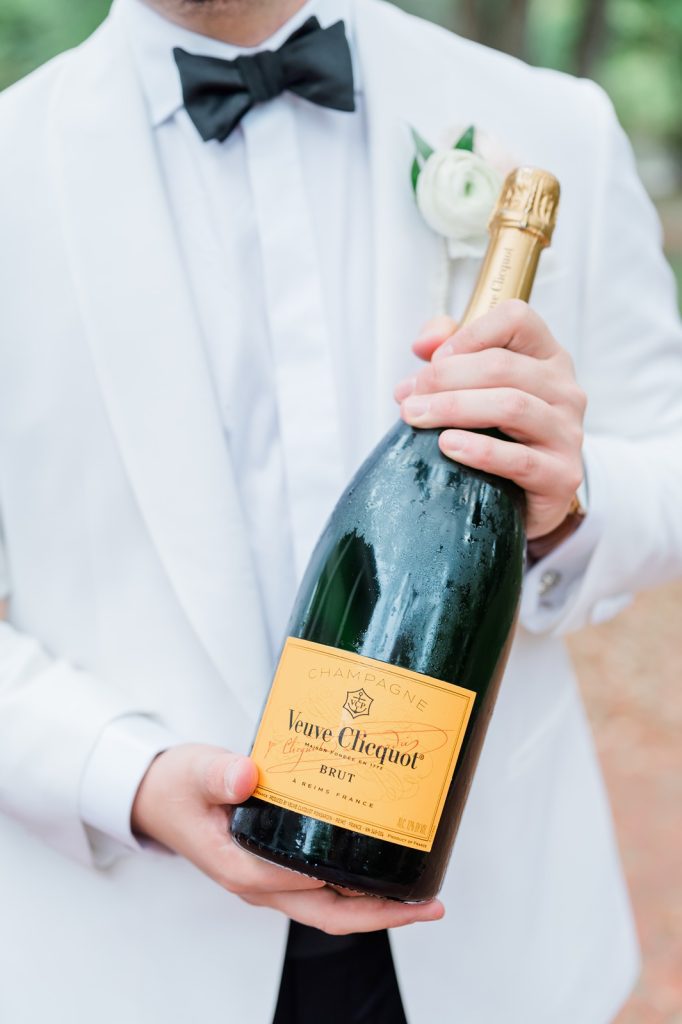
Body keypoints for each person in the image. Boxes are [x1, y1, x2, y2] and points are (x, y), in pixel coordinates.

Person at [0, 0, 681, 1020]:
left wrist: (568, 500)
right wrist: (122, 773)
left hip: (493, 953)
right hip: (126, 952)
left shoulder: (554, 126)